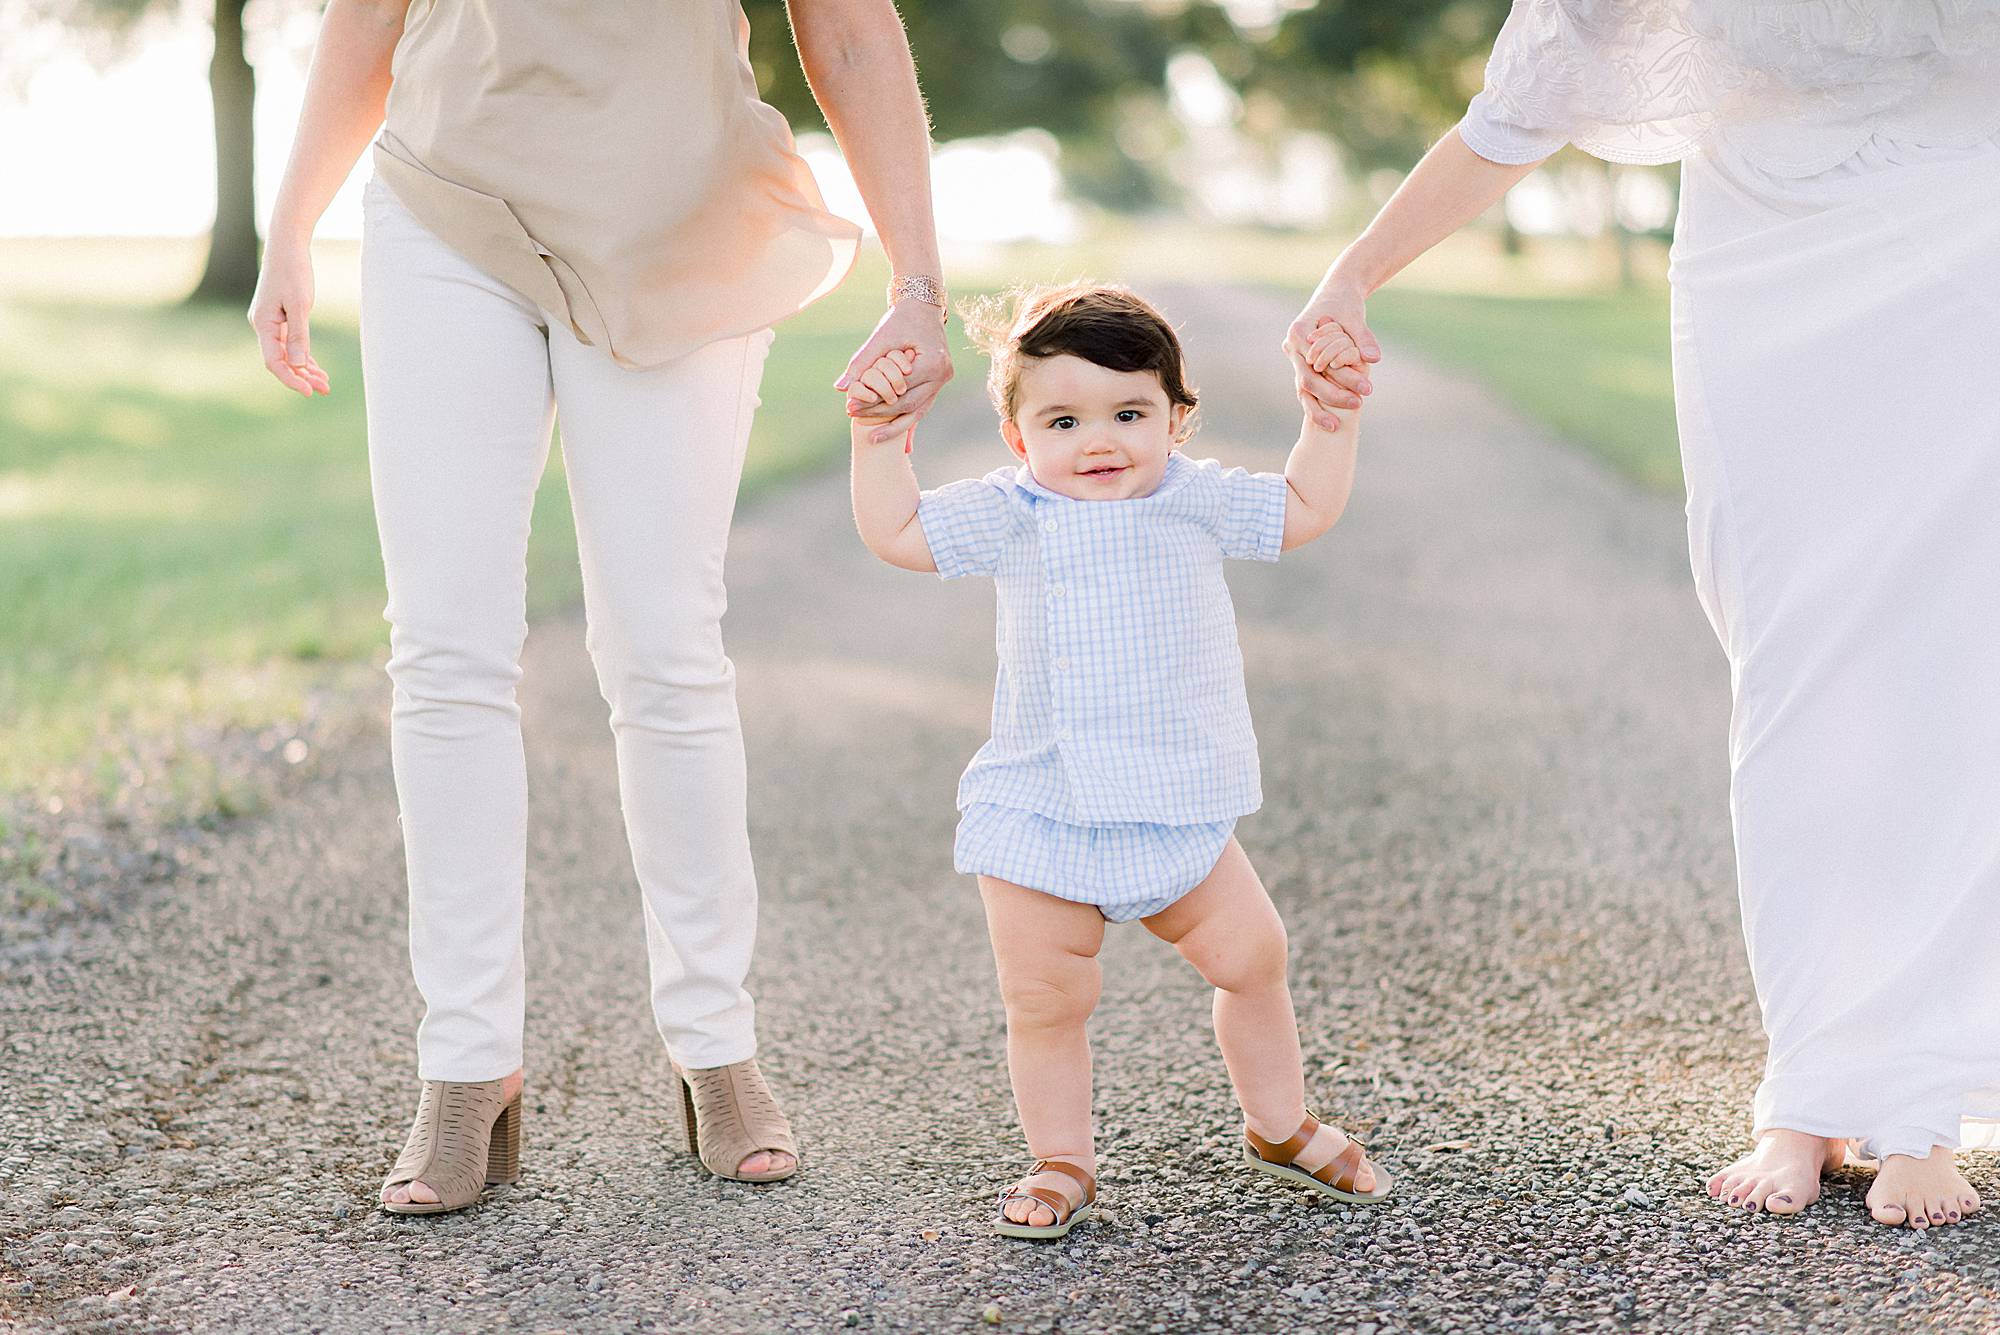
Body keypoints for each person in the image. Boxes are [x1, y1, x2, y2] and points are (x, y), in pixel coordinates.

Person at [1288, 0, 2000, 1228]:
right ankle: (1814, 1084)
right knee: (1790, 665)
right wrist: (1351, 273)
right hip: (1758, 261)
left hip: (1963, 243)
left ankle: (1918, 1103)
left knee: (1948, 655)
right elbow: (1529, 94)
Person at [247, 0, 953, 1214]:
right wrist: (290, 228)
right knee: (445, 651)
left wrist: (920, 284)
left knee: (664, 648)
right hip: (443, 209)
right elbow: (368, 17)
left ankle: (714, 1046)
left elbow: (846, 31)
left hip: (677, 215)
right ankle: (465, 1065)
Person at [846, 283, 1392, 1239]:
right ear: (1018, 437)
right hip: (1043, 806)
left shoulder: (1194, 500)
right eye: (1064, 420)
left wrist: (1328, 420)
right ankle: (1062, 1157)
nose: (1099, 440)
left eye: (1129, 413)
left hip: (1174, 799)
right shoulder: (1013, 511)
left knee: (1253, 959)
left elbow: (1304, 505)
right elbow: (898, 534)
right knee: (1047, 996)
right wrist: (877, 443)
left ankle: (1277, 1122)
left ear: (1177, 422)